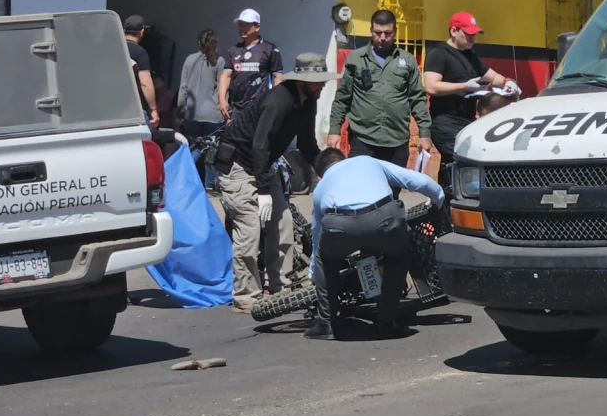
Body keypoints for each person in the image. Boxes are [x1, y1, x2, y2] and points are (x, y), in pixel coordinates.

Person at [215, 52, 336, 312]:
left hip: (262, 167)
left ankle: (279, 285)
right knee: (249, 232)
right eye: (316, 81)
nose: (321, 85)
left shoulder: (308, 102)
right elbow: (260, 144)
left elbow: (306, 144)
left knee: (283, 225)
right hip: (237, 168)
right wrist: (262, 190)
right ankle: (246, 296)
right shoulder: (278, 100)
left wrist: (330, 171)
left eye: (322, 80)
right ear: (301, 80)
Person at [306, 148, 445, 341]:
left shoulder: (320, 187)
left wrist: (313, 269)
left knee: (324, 259)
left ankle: (326, 323)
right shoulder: (367, 161)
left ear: (321, 173)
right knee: (399, 255)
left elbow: (316, 232)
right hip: (383, 218)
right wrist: (439, 200)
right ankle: (387, 322)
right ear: (344, 158)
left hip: (339, 224)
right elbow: (417, 180)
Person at [326, 10, 433, 197]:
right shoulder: (356, 59)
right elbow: (343, 97)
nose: (382, 38)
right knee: (359, 191)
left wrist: (424, 133)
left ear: (395, 32)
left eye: (388, 33)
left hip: (396, 140)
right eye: (377, 33)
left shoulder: (406, 60)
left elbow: (417, 98)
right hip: (363, 138)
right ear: (371, 30)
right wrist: (334, 130)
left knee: (391, 194)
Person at [423, 12, 521, 163]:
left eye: (474, 34)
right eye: (468, 33)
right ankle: (449, 186)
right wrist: (465, 86)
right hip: (445, 121)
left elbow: (492, 77)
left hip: (466, 121)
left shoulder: (470, 55)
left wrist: (507, 82)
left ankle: (446, 186)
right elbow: (431, 86)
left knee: (458, 163)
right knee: (459, 160)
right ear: (454, 31)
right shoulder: (439, 53)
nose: (472, 38)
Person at [179, 29, 227, 191]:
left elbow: (183, 88)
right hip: (213, 113)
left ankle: (185, 178)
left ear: (199, 43)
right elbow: (222, 88)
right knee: (211, 151)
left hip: (192, 113)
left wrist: (180, 110)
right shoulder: (219, 62)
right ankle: (209, 184)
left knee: (195, 147)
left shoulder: (189, 60)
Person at [218, 8, 283, 122]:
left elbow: (277, 77)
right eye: (240, 25)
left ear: (257, 27)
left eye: (246, 25)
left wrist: (276, 102)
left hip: (260, 107)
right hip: (237, 108)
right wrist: (222, 100)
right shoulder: (233, 50)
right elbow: (226, 76)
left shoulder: (269, 49)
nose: (242, 28)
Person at [123, 15, 160, 128]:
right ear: (142, 32)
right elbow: (145, 83)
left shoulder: (112, 48)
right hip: (134, 109)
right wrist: (153, 109)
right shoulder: (140, 53)